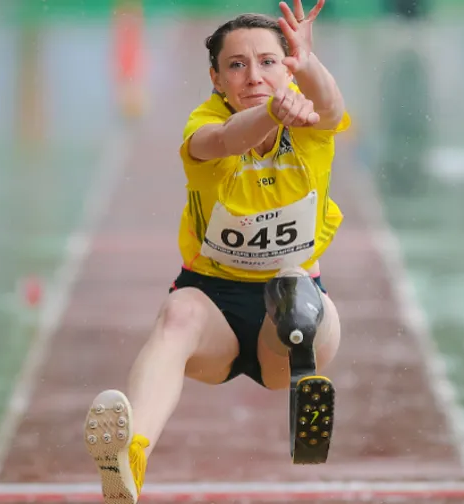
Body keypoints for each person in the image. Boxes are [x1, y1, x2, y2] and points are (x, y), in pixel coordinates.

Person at [82, 1, 350, 502]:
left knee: (294, 291)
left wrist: (309, 66)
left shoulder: (306, 113)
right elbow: (224, 140)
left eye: (269, 61)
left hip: (294, 324)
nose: (254, 76)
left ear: (287, 66)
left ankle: (304, 390)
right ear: (216, 79)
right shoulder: (203, 125)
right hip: (214, 313)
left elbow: (332, 111)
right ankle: (130, 457)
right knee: (176, 314)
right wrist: (272, 110)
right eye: (237, 65)